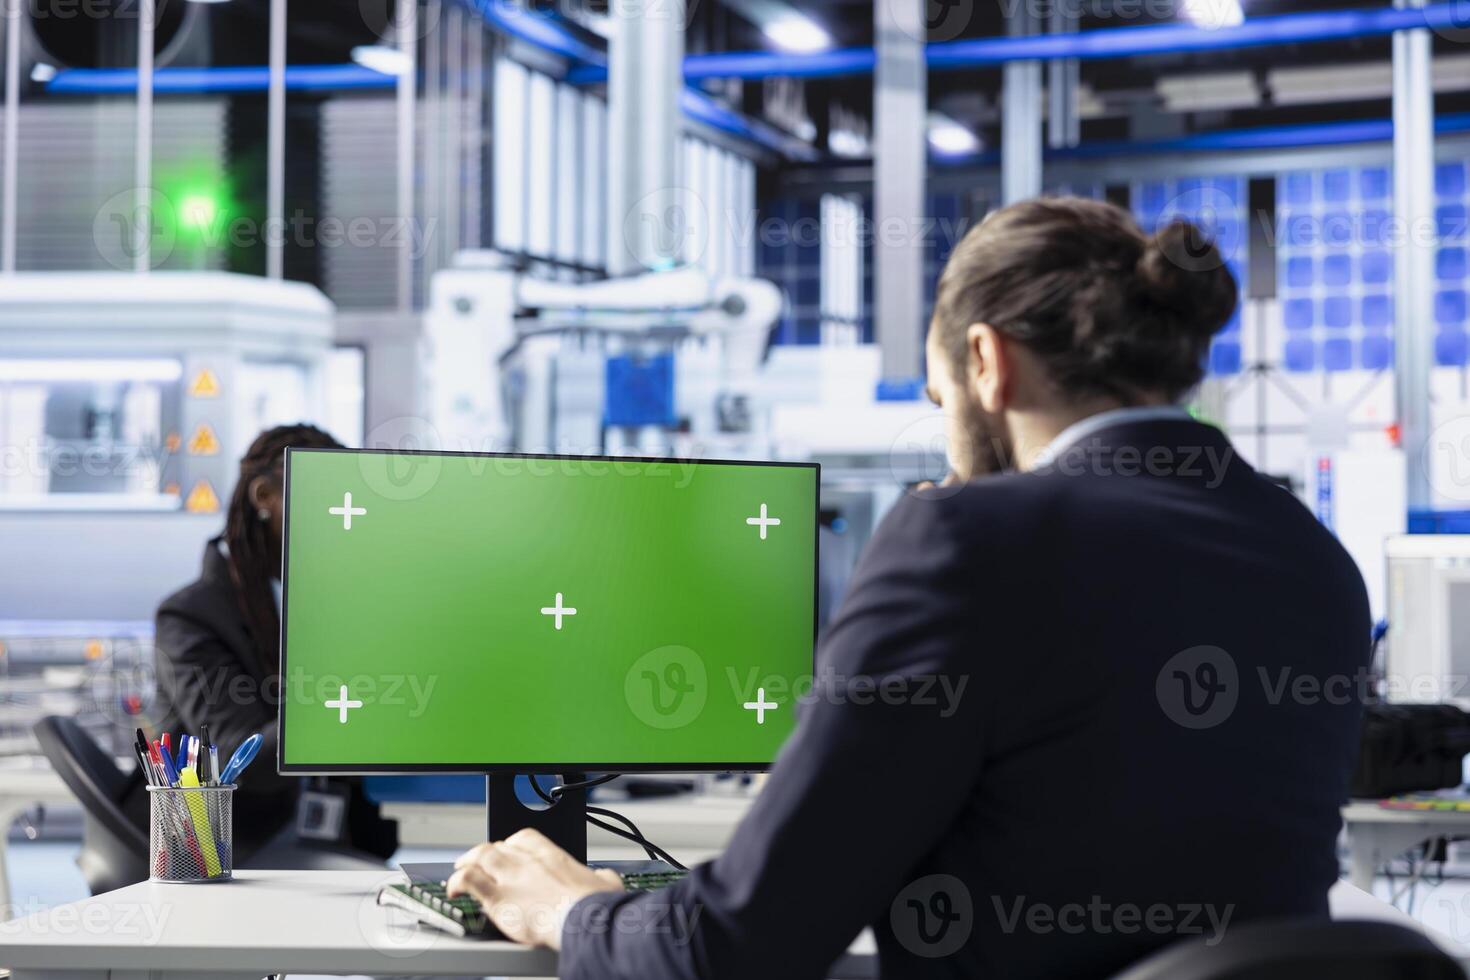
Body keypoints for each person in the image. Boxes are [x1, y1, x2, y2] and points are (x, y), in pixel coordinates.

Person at [445, 197, 1372, 979]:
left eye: (939, 400)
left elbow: (736, 947)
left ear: (986, 361)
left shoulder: (970, 541)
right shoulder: (1314, 556)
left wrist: (571, 909)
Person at [149, 423, 397, 863]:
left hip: (322, 839)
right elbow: (239, 759)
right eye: (324, 495)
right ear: (265, 496)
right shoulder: (190, 617)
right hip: (226, 850)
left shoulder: (321, 599)